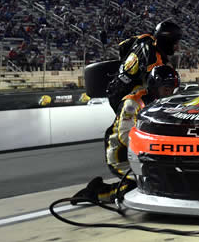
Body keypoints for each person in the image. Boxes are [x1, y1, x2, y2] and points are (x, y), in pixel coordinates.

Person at [74, 65, 180, 203]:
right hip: (120, 153)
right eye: (166, 89)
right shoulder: (133, 102)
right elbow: (125, 136)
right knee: (137, 187)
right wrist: (154, 148)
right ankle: (95, 193)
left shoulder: (165, 103)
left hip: (147, 154)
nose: (170, 93)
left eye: (173, 89)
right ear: (154, 86)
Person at [106, 20, 182, 113]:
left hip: (114, 86)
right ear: (167, 42)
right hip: (128, 96)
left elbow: (122, 46)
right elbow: (158, 90)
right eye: (175, 43)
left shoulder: (144, 37)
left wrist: (126, 67)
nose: (177, 47)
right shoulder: (156, 62)